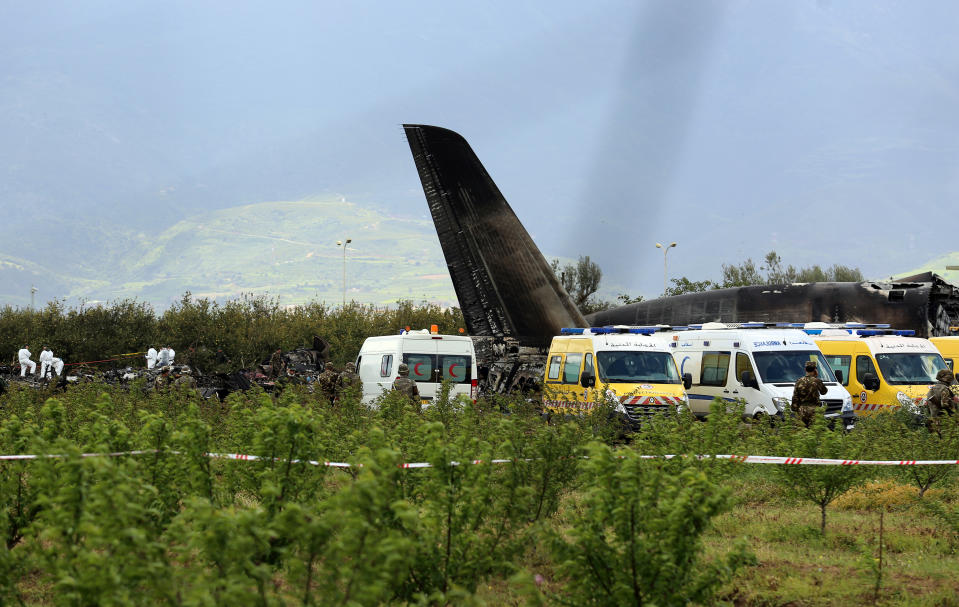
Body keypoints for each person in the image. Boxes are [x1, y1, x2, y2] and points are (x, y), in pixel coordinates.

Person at [792, 360, 827, 428]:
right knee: (814, 431)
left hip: (802, 410)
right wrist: (816, 378)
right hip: (814, 410)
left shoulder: (799, 381)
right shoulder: (817, 381)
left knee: (801, 431)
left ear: (805, 369)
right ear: (815, 370)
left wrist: (795, 409)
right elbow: (824, 392)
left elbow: (795, 397)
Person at [924, 369, 957, 436]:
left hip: (933, 421)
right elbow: (945, 404)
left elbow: (927, 407)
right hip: (944, 422)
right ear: (949, 379)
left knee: (935, 441)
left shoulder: (932, 389)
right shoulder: (944, 389)